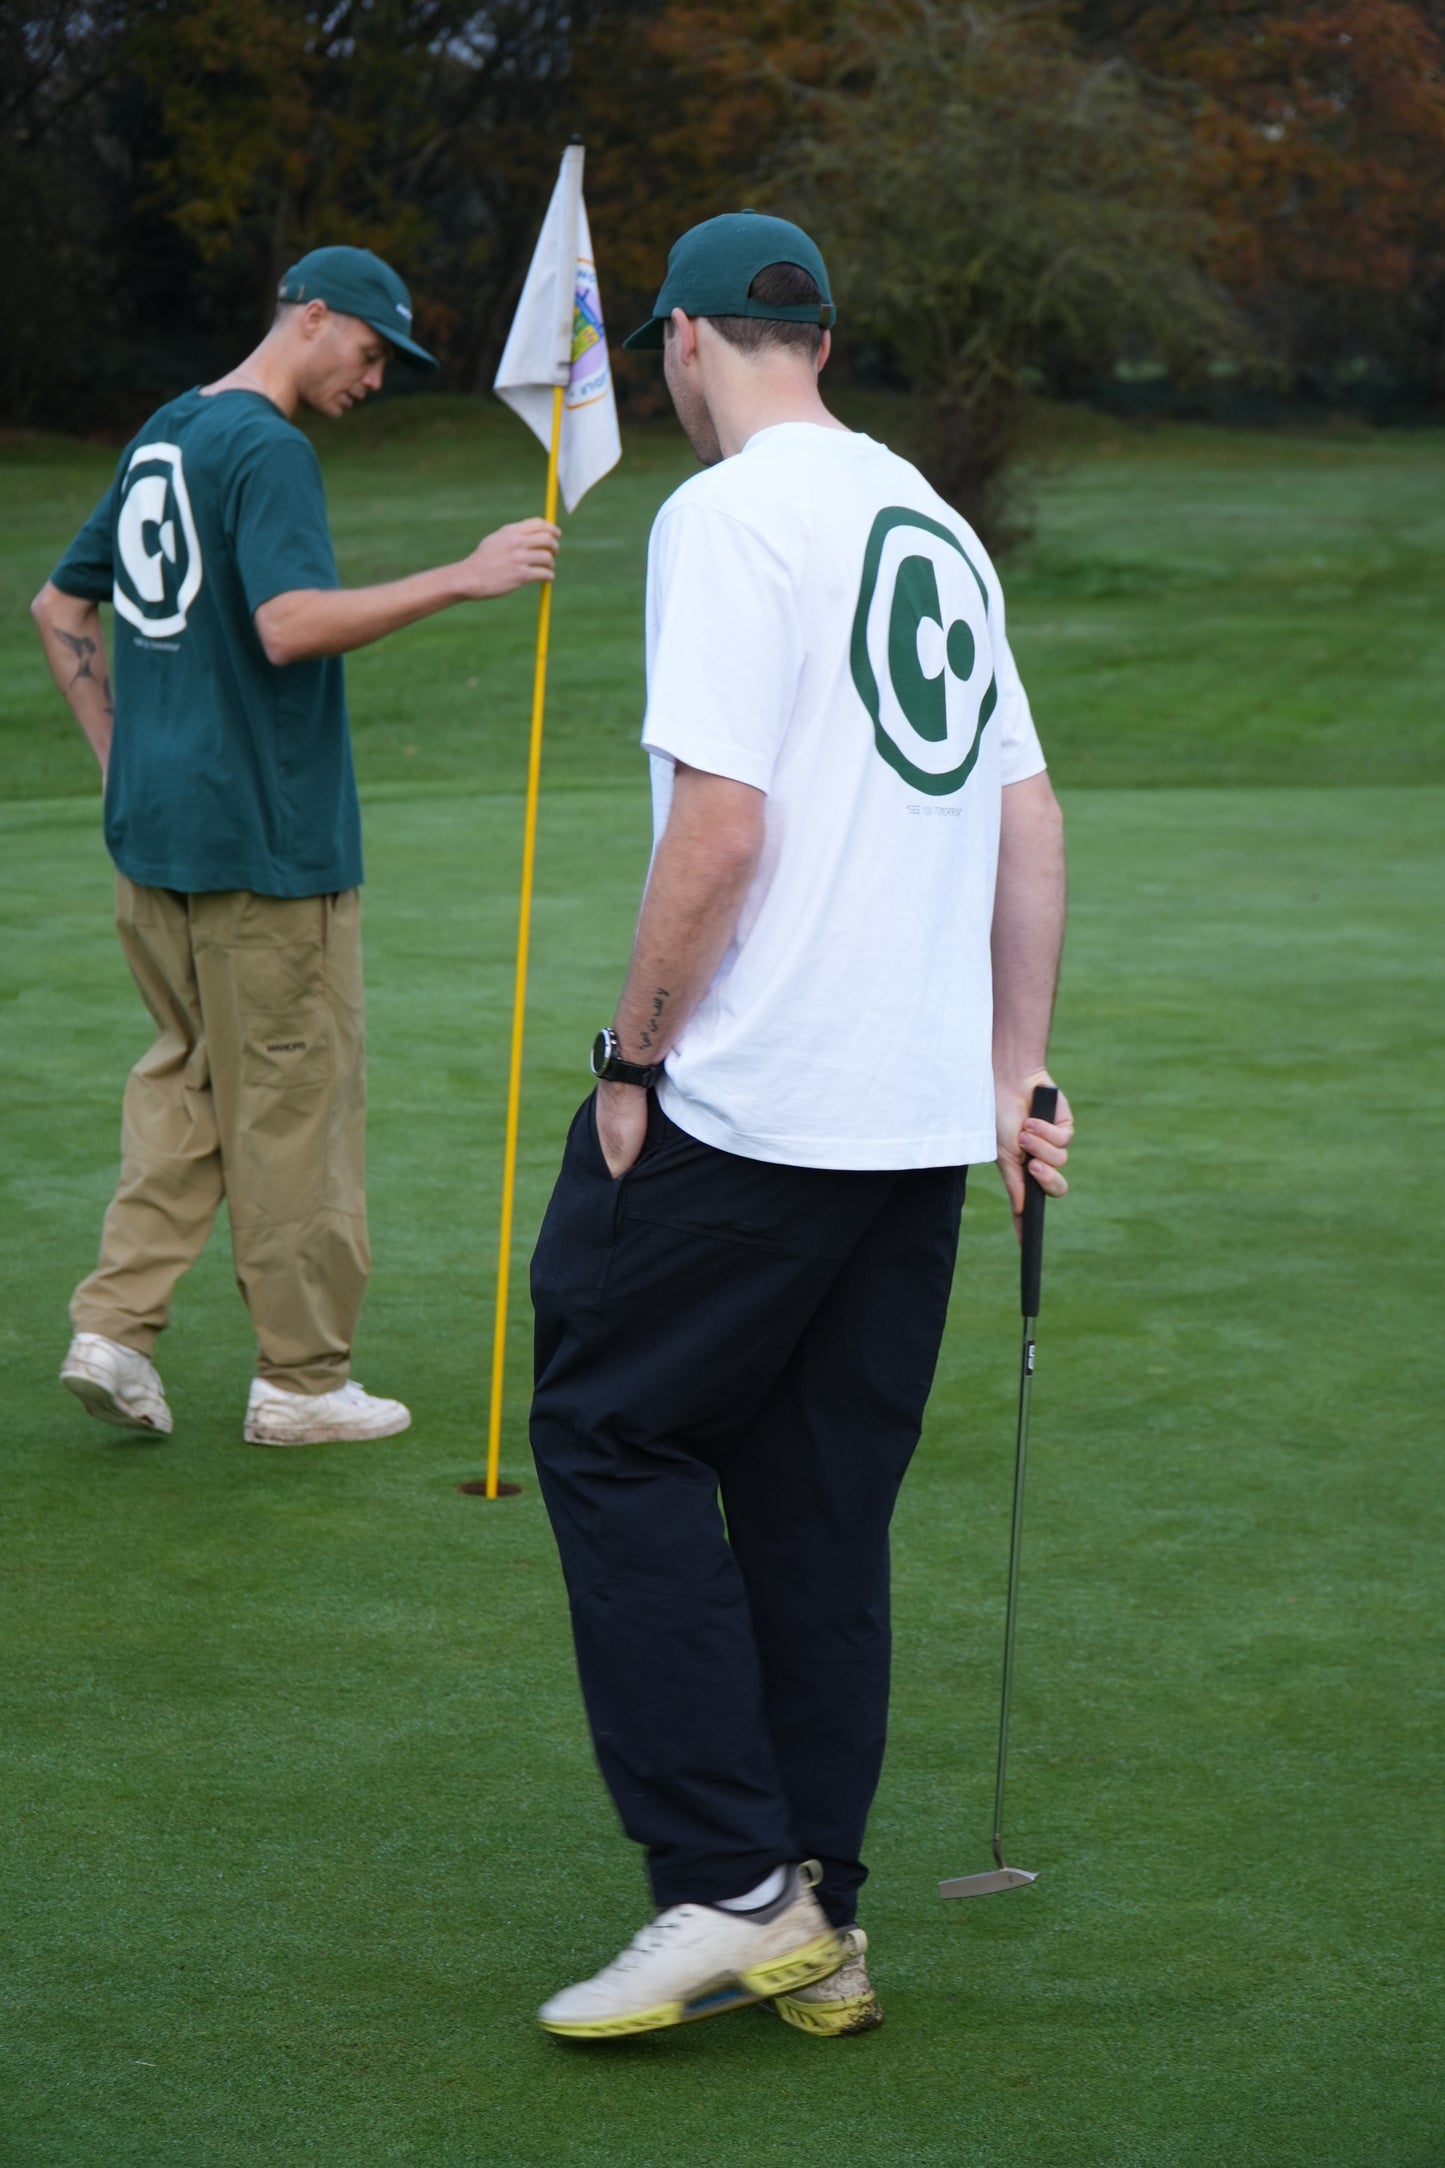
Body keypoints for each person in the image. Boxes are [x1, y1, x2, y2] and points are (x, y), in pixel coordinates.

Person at [527, 211, 1073, 2041]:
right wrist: (1014, 1073)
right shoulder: (931, 518)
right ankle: (818, 1910)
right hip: (911, 1124)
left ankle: (728, 1880)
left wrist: (631, 1058)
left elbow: (723, 829)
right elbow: (1028, 810)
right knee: (815, 1510)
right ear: (821, 339)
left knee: (605, 1428)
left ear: (683, 341)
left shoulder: (726, 514)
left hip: (754, 1105)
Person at [32, 245, 559, 1448]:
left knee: (186, 1081)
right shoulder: (268, 446)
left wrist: (123, 755)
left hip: (154, 840)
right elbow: (286, 626)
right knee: (292, 1112)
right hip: (264, 851)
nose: (376, 378)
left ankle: (112, 1330)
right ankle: (303, 1382)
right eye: (370, 351)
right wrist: (465, 578)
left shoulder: (166, 430)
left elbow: (61, 607)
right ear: (311, 318)